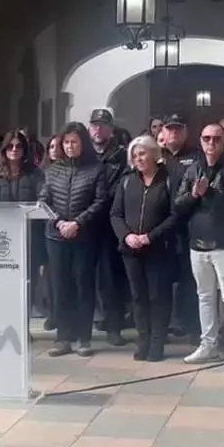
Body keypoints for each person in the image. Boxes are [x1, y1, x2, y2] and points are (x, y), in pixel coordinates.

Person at [175, 124, 224, 371]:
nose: (211, 143)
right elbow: (178, 204)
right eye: (206, 138)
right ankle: (208, 344)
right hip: (197, 243)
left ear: (223, 142)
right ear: (201, 140)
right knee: (205, 297)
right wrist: (194, 196)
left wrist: (210, 193)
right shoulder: (194, 168)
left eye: (216, 139)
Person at [41, 122, 108, 357]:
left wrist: (77, 223)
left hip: (84, 236)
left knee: (83, 286)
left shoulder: (96, 169)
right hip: (56, 236)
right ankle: (63, 338)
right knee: (60, 287)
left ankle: (84, 338)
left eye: (74, 142)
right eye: (66, 142)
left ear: (83, 143)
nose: (70, 146)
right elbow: (44, 201)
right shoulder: (52, 170)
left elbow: (100, 202)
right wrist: (59, 222)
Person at [111, 136, 179, 362]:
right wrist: (127, 236)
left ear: (153, 154)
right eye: (135, 155)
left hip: (158, 248)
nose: (139, 159)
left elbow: (174, 215)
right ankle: (144, 340)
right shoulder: (127, 181)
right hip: (131, 250)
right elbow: (116, 214)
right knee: (138, 296)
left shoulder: (168, 180)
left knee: (158, 296)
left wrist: (150, 237)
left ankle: (158, 342)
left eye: (142, 153)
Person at [88, 109, 131, 345]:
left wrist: (97, 201)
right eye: (94, 125)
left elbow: (120, 188)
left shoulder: (121, 156)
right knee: (84, 277)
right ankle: (82, 327)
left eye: (102, 125)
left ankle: (114, 326)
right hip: (85, 224)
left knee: (109, 278)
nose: (98, 129)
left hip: (108, 224)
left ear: (111, 129)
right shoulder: (84, 156)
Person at [0, 130, 47, 318]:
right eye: (10, 146)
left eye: (19, 146)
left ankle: (23, 322)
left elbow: (44, 195)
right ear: (4, 149)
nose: (14, 149)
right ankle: (5, 320)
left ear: (25, 150)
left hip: (29, 236)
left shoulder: (35, 173)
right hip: (2, 237)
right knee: (4, 280)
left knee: (28, 280)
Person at [162, 114, 204, 341]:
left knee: (190, 278)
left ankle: (189, 324)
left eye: (178, 129)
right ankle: (166, 323)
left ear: (185, 133)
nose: (174, 133)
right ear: (163, 134)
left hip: (188, 225)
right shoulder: (158, 156)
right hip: (162, 227)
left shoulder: (196, 156)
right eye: (170, 129)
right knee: (164, 278)